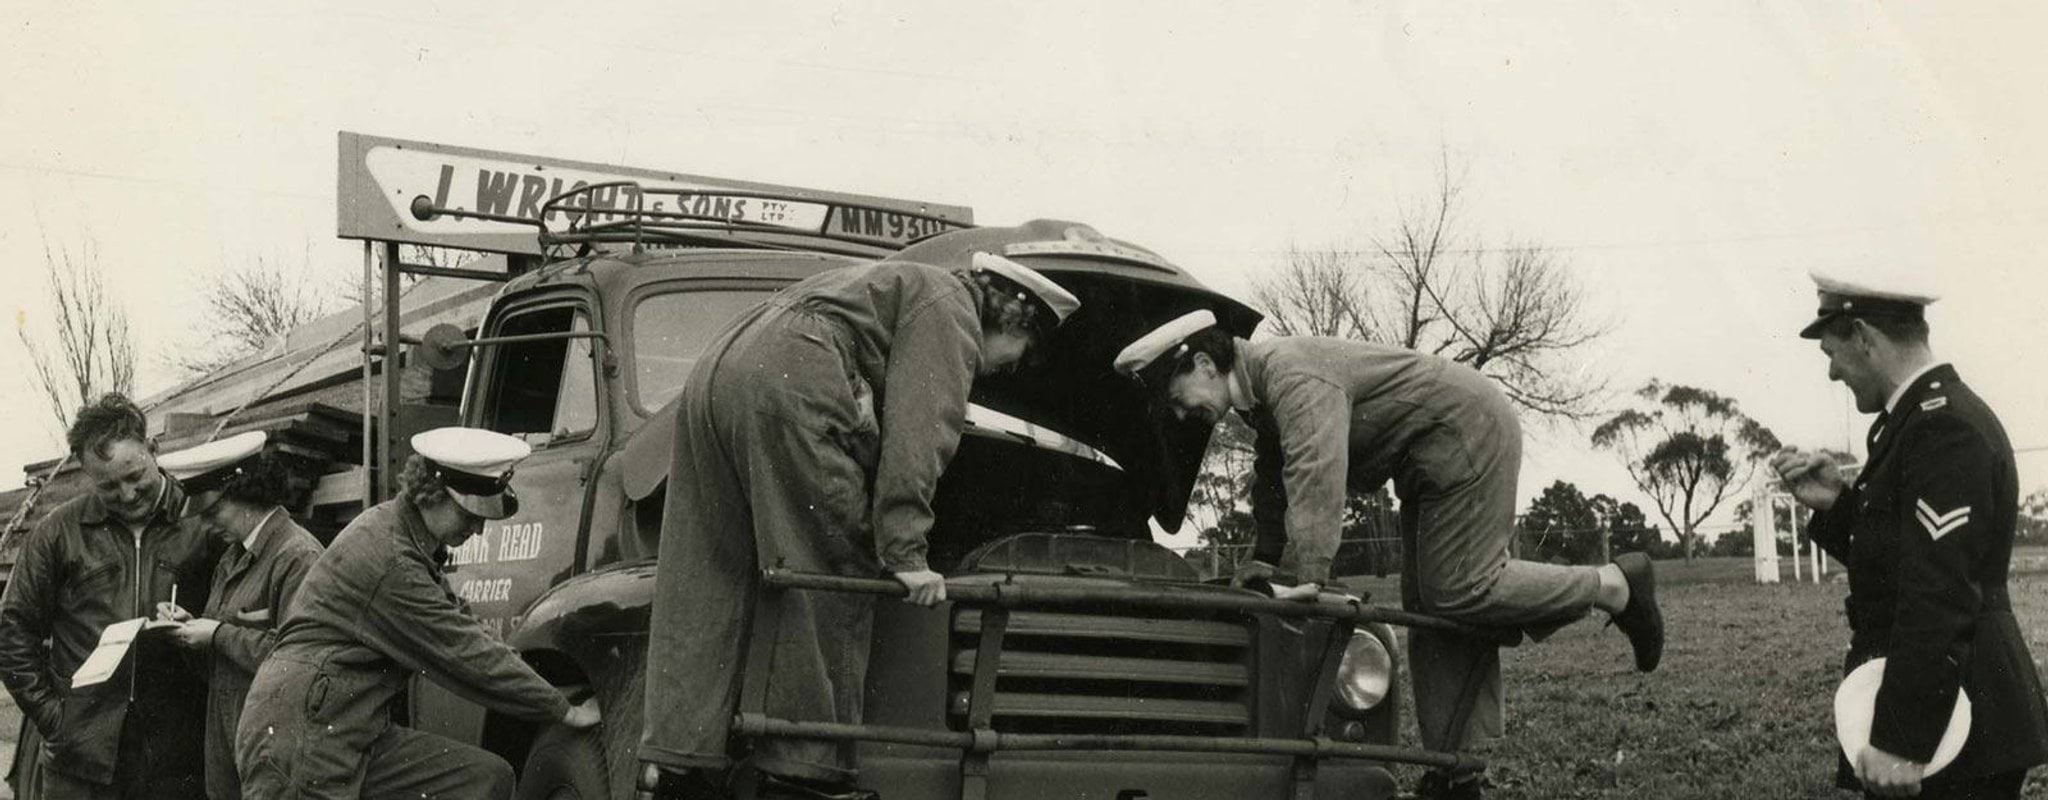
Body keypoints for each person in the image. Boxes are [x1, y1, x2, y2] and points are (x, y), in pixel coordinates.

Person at [1112, 311, 1663, 800]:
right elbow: (1273, 481)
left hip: (1465, 431)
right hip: (1429, 454)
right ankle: (1457, 773)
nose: (1183, 416)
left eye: (1178, 400)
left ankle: (1614, 584)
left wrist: (1307, 576)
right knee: (1430, 602)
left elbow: (1316, 470)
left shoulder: (1291, 373)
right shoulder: (1261, 395)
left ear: (1205, 363)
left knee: (1462, 587)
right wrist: (1264, 559)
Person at [638, 251, 1080, 800]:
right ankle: (802, 775)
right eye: (1016, 358)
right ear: (1015, 319)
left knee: (710, 568)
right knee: (830, 567)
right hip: (797, 373)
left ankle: (680, 764)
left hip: (721, 368)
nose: (998, 372)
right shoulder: (952, 309)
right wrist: (906, 555)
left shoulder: (897, 286)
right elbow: (920, 435)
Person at [1769, 269, 2048, 799]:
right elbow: (1908, 558)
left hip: (1958, 726)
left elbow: (1939, 591)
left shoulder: (1942, 427)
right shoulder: (1920, 418)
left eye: (1831, 352)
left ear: (1865, 339)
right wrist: (1838, 505)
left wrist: (1904, 738)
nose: (1832, 374)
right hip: (1955, 710)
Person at [234, 427, 600, 800]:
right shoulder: (392, 561)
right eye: (469, 514)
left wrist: (536, 682)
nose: (478, 529)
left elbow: (464, 624)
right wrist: (562, 708)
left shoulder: (408, 535)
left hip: (352, 728)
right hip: (302, 737)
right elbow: (463, 650)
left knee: (483, 778)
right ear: (434, 494)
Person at [0, 393, 219, 800]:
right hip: (80, 765)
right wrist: (55, 719)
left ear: (153, 450)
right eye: (109, 486)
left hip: (177, 757)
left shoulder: (202, 524)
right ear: (87, 475)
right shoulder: (58, 531)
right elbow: (12, 631)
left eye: (135, 476)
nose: (128, 494)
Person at [149, 431, 323, 800]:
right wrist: (187, 627)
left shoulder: (297, 556)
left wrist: (216, 635)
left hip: (274, 751)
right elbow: (217, 659)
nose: (206, 526)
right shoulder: (231, 558)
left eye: (212, 513)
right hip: (231, 748)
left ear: (247, 494)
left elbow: (305, 661)